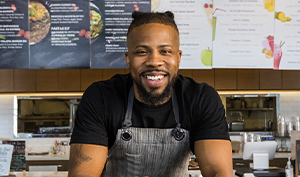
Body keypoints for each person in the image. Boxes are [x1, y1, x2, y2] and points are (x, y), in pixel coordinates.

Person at [68, 11, 232, 177]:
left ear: (178, 57)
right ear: (128, 58)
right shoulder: (100, 98)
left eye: (165, 51)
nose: (154, 61)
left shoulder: (201, 99)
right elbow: (83, 173)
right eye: (141, 52)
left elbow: (218, 172)